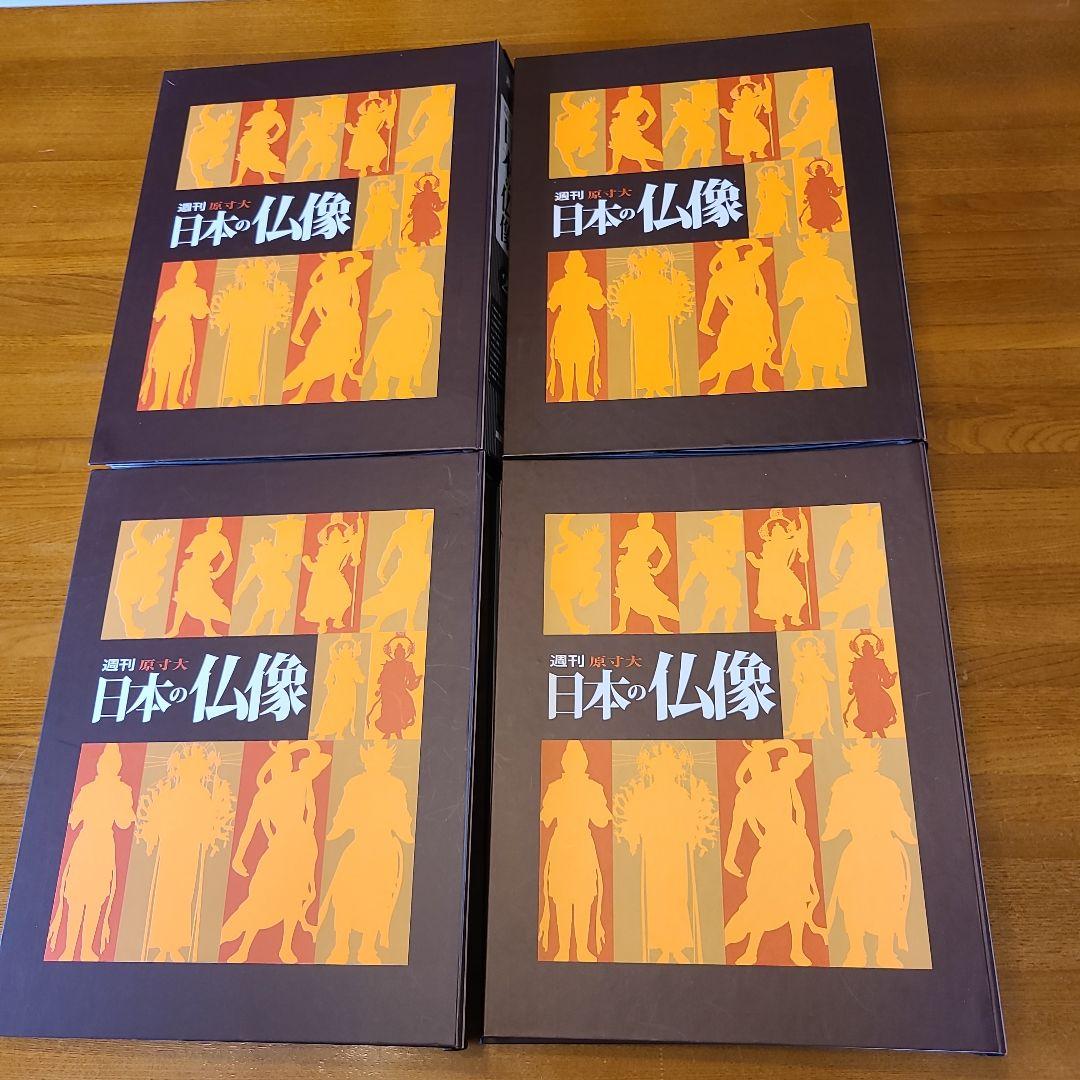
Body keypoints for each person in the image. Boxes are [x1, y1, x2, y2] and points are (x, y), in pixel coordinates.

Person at [220, 741, 331, 964]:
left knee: (294, 895)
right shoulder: (266, 795)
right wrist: (238, 857)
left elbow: (312, 811)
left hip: (300, 845)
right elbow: (249, 829)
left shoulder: (300, 781)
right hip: (282, 845)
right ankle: (244, 948)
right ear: (273, 769)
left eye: (288, 762)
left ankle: (285, 948)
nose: (286, 767)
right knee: (261, 895)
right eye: (282, 764)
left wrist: (296, 748)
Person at [723, 740, 827, 965]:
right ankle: (751, 951)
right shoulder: (747, 795)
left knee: (797, 895)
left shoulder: (781, 779)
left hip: (794, 842)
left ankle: (797, 950)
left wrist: (778, 748)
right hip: (771, 845)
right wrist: (729, 857)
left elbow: (801, 762)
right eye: (757, 763)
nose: (764, 766)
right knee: (761, 895)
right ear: (751, 768)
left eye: (766, 762)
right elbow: (736, 829)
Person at [613, 743, 718, 963]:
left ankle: (677, 945)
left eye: (668, 770)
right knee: (657, 897)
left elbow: (690, 822)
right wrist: (637, 835)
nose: (665, 774)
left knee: (678, 895)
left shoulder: (681, 794)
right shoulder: (647, 795)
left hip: (675, 850)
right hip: (655, 851)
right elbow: (638, 822)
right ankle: (662, 947)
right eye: (661, 770)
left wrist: (690, 832)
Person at [134, 743, 234, 962]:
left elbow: (208, 821)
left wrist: (207, 834)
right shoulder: (171, 793)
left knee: (184, 896)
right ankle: (161, 945)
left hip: (189, 850)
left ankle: (175, 944)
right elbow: (159, 817)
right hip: (170, 848)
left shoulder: (203, 795)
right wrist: (154, 836)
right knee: (164, 894)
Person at [822, 741, 916, 967]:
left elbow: (900, 818)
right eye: (859, 759)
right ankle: (856, 950)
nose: (863, 763)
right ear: (851, 761)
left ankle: (886, 951)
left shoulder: (887, 786)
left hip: (885, 849)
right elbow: (834, 821)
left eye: (868, 759)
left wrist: (910, 835)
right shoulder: (843, 786)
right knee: (852, 899)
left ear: (875, 761)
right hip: (859, 847)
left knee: (889, 898)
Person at [319, 741, 414, 964]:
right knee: (344, 896)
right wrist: (332, 832)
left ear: (389, 762)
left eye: (383, 760)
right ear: (366, 760)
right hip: (360, 845)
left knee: (378, 899)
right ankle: (340, 946)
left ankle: (367, 948)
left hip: (383, 850)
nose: (377, 763)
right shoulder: (355, 784)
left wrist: (406, 832)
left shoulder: (395, 786)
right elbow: (342, 816)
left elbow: (402, 820)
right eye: (373, 759)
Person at [47, 744, 135, 961]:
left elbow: (123, 822)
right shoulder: (87, 789)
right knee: (76, 895)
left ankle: (87, 948)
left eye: (112, 763)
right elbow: (74, 819)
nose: (106, 765)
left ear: (118, 766)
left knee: (96, 898)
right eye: (104, 761)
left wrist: (127, 813)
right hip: (85, 841)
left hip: (104, 843)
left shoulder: (123, 791)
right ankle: (69, 948)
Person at [538, 741, 611, 961]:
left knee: (584, 897)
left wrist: (599, 811)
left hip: (583, 844)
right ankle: (563, 949)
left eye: (578, 760)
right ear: (564, 762)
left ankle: (582, 948)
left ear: (584, 762)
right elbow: (546, 817)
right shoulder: (555, 788)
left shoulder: (593, 788)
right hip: (561, 844)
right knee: (561, 897)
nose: (574, 763)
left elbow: (601, 820)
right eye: (570, 760)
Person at [285, 253, 371, 403]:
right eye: (331, 268)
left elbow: (362, 264)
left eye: (334, 267)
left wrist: (339, 256)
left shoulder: (342, 280)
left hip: (344, 322)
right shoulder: (328, 286)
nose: (334, 270)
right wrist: (296, 333)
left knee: (342, 355)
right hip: (336, 322)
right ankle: (303, 393)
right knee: (317, 357)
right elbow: (305, 314)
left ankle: (335, 390)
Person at [608, 247, 694, 398]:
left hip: (659, 322)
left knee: (661, 351)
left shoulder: (664, 282)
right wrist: (626, 314)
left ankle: (660, 385)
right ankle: (648, 385)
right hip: (642, 322)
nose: (650, 270)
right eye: (648, 267)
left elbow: (672, 300)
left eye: (653, 267)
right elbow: (628, 300)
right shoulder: (636, 284)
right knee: (644, 353)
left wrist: (670, 306)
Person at [697, 239, 779, 393]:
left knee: (759, 343)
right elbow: (709, 302)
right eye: (728, 256)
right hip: (741, 311)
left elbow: (762, 285)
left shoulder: (746, 266)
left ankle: (757, 381)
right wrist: (703, 322)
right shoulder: (720, 278)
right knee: (727, 346)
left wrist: (762, 301)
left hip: (754, 309)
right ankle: (721, 384)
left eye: (733, 254)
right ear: (722, 260)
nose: (731, 257)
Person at [210, 258, 293, 407]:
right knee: (236, 362)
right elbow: (229, 309)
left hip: (255, 331)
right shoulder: (239, 293)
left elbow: (272, 310)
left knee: (251, 362)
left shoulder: (265, 293)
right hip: (239, 330)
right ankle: (235, 395)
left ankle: (245, 394)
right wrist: (225, 322)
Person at [778, 232, 856, 389]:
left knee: (831, 342)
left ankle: (827, 377)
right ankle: (807, 377)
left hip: (826, 309)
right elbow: (845, 291)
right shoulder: (801, 268)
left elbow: (788, 295)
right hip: (817, 309)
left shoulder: (829, 266)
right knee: (803, 343)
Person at [363, 247, 441, 398]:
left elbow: (431, 302)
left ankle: (402, 387)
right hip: (401, 319)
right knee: (384, 353)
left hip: (414, 321)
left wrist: (376, 311)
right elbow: (382, 301)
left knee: (411, 354)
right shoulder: (393, 279)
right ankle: (382, 387)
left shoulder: (424, 279)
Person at [139, 261, 209, 411]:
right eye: (182, 273)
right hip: (168, 330)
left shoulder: (198, 293)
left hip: (182, 331)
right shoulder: (169, 293)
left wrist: (197, 306)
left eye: (187, 274)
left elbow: (200, 314)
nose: (183, 276)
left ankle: (172, 400)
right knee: (162, 365)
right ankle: (157, 401)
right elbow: (157, 315)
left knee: (178, 366)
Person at [546, 251, 606, 401]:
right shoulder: (561, 285)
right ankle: (567, 393)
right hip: (569, 322)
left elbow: (597, 304)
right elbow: (552, 305)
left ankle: (581, 392)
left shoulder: (589, 283)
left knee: (583, 358)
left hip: (578, 322)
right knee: (567, 358)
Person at [165, 517, 233, 637]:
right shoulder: (205, 538)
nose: (208, 525)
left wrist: (218, 573)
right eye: (209, 523)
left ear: (218, 526)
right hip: (191, 570)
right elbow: (189, 550)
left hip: (199, 571)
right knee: (185, 598)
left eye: (211, 523)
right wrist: (217, 573)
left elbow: (229, 558)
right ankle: (176, 628)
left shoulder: (215, 539)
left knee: (202, 599)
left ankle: (207, 629)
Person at [613, 512, 679, 634]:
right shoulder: (655, 535)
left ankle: (655, 626)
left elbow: (622, 545)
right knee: (627, 596)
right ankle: (623, 625)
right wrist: (657, 569)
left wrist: (658, 570)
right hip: (628, 568)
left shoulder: (633, 533)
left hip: (632, 567)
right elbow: (667, 554)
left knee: (645, 597)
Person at [746, 509, 809, 631]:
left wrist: (802, 519)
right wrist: (752, 559)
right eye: (774, 531)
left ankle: (795, 617)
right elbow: (763, 563)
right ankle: (779, 622)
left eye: (780, 530)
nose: (777, 531)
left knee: (798, 593)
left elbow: (802, 534)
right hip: (769, 574)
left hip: (783, 572)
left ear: (784, 532)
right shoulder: (768, 545)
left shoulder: (790, 543)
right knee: (774, 599)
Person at [113, 520, 175, 638]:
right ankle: (129, 627)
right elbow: (135, 535)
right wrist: (142, 524)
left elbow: (153, 574)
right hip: (129, 579)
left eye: (167, 548)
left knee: (159, 580)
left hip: (140, 583)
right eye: (164, 546)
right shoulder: (146, 548)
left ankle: (147, 600)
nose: (165, 550)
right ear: (157, 543)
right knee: (125, 602)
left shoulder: (161, 560)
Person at [548, 514, 605, 633]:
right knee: (563, 599)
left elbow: (588, 569)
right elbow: (563, 530)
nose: (593, 546)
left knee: (594, 576)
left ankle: (586, 596)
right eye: (592, 542)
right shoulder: (576, 542)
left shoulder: (593, 555)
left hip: (575, 579)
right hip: (564, 576)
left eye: (596, 545)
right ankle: (573, 623)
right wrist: (567, 518)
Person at [367, 633, 422, 739]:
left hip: (401, 691)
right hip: (388, 691)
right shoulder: (389, 665)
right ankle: (390, 730)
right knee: (389, 708)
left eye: (402, 653)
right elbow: (382, 678)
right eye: (397, 653)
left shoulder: (408, 665)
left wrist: (418, 680)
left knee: (408, 704)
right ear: (394, 653)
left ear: (405, 653)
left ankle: (399, 728)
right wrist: (380, 689)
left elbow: (411, 685)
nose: (399, 655)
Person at [608, 86, 662, 171]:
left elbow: (615, 111)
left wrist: (645, 126)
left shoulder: (625, 101)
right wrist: (645, 126)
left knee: (634, 146)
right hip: (620, 126)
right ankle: (615, 167)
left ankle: (643, 166)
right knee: (619, 146)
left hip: (626, 126)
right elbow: (653, 115)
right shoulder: (641, 102)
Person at [233, 99, 287, 185]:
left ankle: (266, 178)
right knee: (246, 158)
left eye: (267, 104)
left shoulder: (274, 115)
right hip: (251, 137)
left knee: (261, 158)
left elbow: (283, 128)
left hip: (258, 138)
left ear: (273, 106)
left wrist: (274, 139)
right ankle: (239, 179)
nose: (265, 106)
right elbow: (248, 124)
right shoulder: (259, 114)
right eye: (265, 104)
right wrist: (273, 138)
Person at [553, 93, 599, 176]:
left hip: (574, 138)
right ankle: (573, 168)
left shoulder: (591, 120)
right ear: (586, 109)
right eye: (591, 110)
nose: (593, 113)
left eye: (594, 112)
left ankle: (583, 150)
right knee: (565, 152)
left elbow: (585, 131)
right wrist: (568, 94)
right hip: (565, 136)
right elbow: (565, 103)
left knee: (592, 134)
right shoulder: (577, 112)